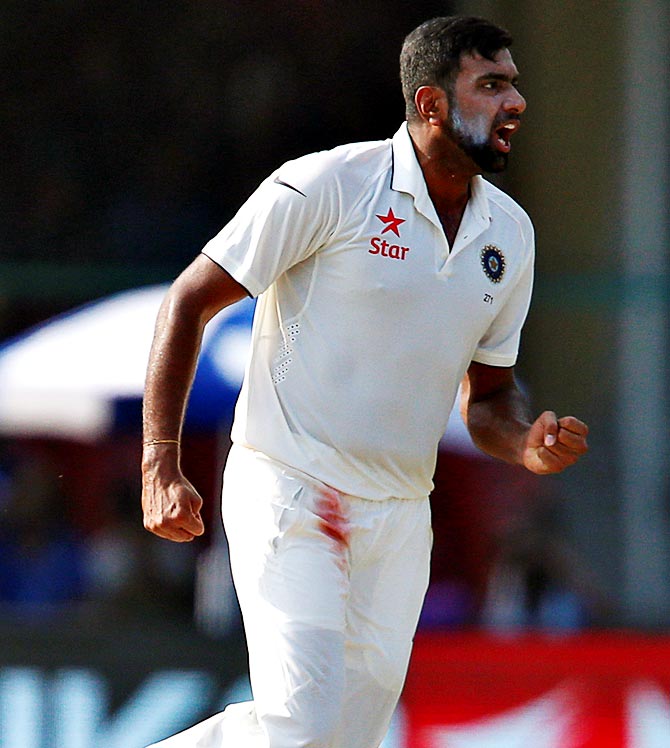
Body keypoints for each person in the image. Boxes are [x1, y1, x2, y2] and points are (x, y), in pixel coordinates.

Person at [141, 15, 589, 748]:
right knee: (302, 727)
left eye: (514, 84)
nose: (516, 103)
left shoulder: (510, 236)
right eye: (492, 85)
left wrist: (525, 443)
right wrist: (161, 463)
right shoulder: (329, 185)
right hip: (291, 486)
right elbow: (188, 302)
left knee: (343, 741)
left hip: (401, 516)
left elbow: (491, 401)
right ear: (430, 103)